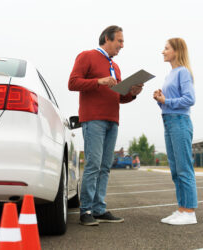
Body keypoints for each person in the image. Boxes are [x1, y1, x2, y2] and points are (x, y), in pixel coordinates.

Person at [69, 25, 144, 226]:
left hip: (113, 119)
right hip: (93, 119)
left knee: (104, 166)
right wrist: (99, 81)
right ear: (107, 39)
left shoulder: (115, 66)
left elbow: (120, 97)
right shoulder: (86, 56)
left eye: (123, 42)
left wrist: (133, 92)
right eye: (119, 41)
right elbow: (73, 83)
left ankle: (99, 208)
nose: (122, 46)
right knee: (93, 164)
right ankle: (85, 210)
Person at [153, 38, 197, 225]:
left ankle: (189, 212)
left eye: (166, 48)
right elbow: (168, 102)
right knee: (175, 170)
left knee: (184, 168)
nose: (163, 51)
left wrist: (166, 101)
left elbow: (189, 99)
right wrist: (159, 98)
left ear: (177, 51)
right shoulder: (170, 74)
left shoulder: (183, 72)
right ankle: (181, 208)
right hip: (169, 122)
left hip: (180, 122)